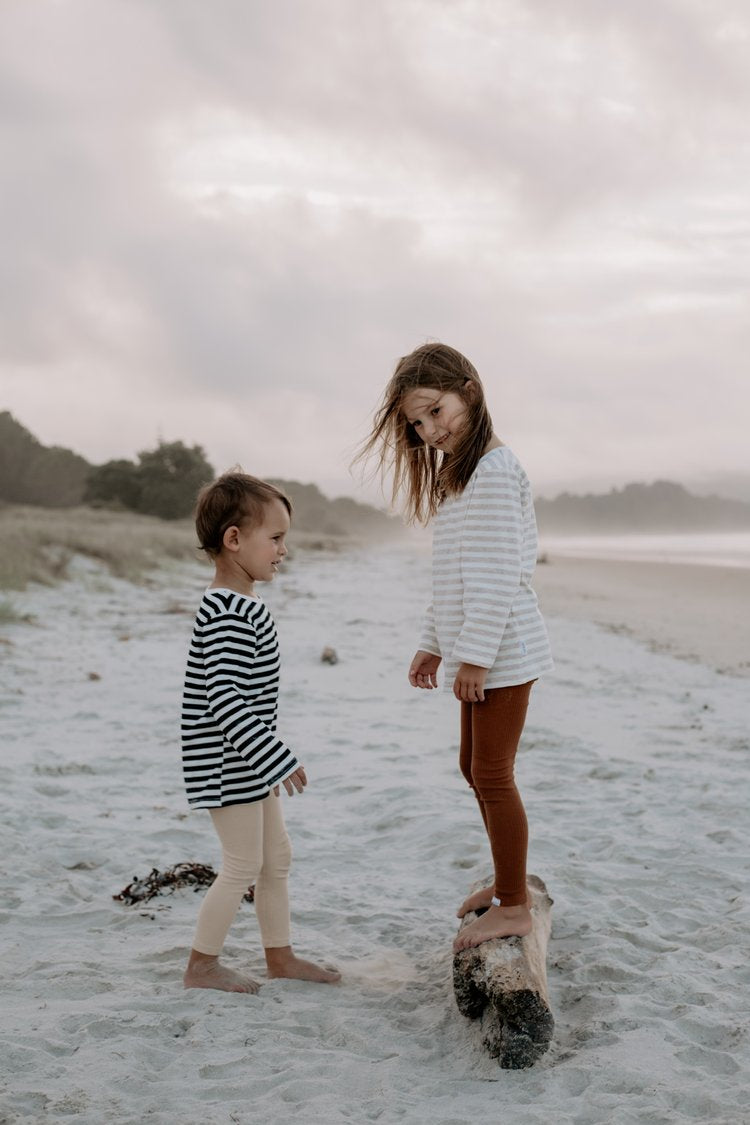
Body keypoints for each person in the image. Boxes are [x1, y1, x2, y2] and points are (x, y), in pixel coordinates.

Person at [360, 343, 553, 952]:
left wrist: (474, 657)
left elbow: (496, 577)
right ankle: (505, 885)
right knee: (473, 769)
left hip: (504, 649)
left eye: (436, 412)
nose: (429, 430)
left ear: (469, 391)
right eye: (417, 424)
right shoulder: (462, 476)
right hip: (482, 646)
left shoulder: (494, 472)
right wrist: (433, 642)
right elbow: (454, 575)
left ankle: (515, 906)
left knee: (493, 775)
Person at [181, 470, 340, 992]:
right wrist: (275, 757)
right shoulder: (227, 612)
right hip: (227, 763)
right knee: (243, 863)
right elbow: (225, 702)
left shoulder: (242, 604)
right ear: (233, 540)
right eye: (274, 538)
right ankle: (201, 965)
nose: (283, 550)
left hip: (246, 761)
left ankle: (280, 956)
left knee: (277, 857)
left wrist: (264, 759)